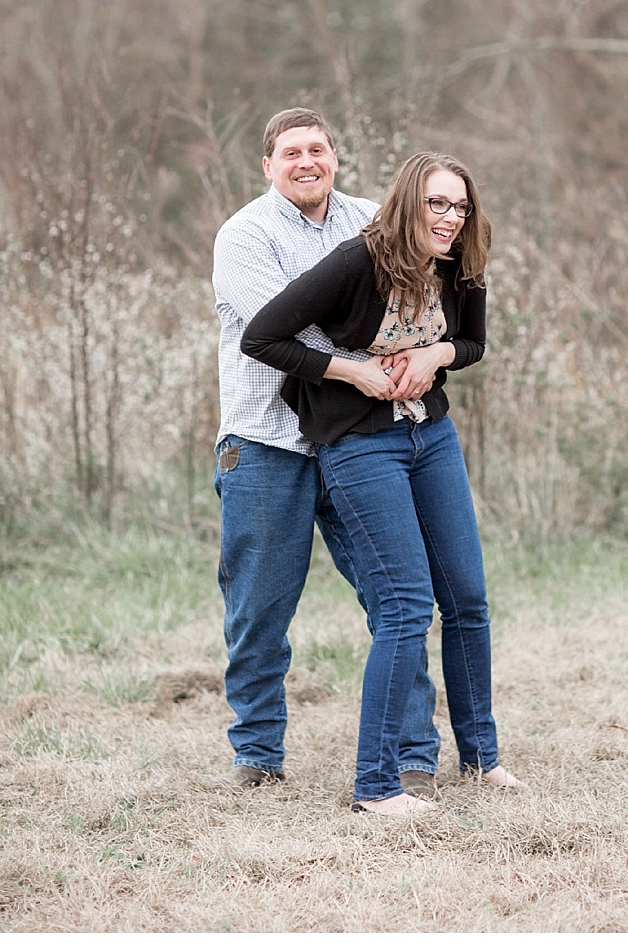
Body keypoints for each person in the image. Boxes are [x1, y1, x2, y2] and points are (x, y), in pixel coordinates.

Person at [240, 151, 522, 816]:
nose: (451, 218)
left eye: (461, 207)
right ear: (408, 202)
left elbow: (473, 343)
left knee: (468, 599)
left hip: (431, 435)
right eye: (437, 203)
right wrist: (354, 372)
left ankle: (481, 759)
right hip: (361, 443)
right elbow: (263, 336)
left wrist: (435, 352)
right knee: (404, 605)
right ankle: (375, 786)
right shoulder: (357, 261)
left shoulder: (461, 261)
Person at [211, 109, 442, 797]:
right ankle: (258, 753)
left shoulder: (373, 220)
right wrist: (369, 361)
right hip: (266, 444)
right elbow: (285, 329)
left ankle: (413, 753)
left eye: (317, 148)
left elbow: (420, 301)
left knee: (397, 599)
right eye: (291, 152)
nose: (306, 162)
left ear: (335, 156)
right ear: (268, 165)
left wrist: (420, 351)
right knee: (259, 609)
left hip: (360, 441)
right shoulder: (244, 235)